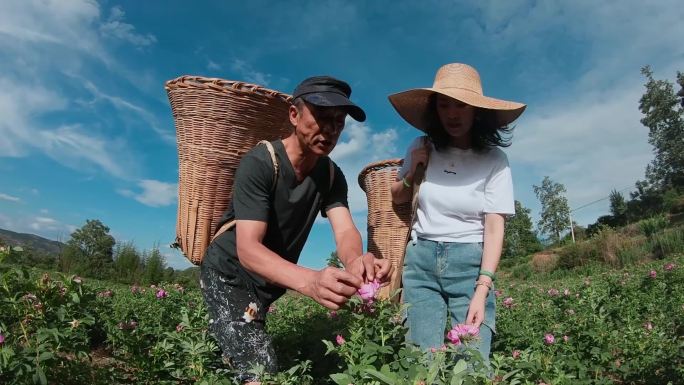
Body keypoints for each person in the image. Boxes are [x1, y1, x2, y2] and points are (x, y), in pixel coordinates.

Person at [200, 75, 393, 384]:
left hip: (268, 279)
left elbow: (344, 231)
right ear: (294, 114)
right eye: (321, 117)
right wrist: (309, 281)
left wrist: (357, 261)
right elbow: (248, 249)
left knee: (233, 342)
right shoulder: (261, 162)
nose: (330, 130)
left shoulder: (331, 176)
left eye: (339, 122)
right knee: (259, 368)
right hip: (230, 271)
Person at [388, 63, 526, 361]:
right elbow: (396, 196)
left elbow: (494, 227)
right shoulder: (421, 145)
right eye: (444, 104)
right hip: (421, 261)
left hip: (470, 264)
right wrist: (413, 169)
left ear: (476, 110)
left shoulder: (494, 159)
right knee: (422, 362)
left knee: (473, 362)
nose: (452, 113)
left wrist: (483, 288)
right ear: (435, 110)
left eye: (461, 105)